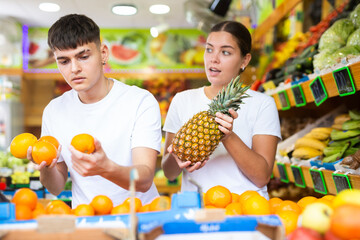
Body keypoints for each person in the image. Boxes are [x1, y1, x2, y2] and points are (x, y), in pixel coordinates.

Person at [28, 14, 162, 208]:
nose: (74, 69)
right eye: (64, 61)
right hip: (87, 219)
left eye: (83, 57)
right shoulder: (53, 111)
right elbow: (56, 187)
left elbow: (144, 178)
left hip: (140, 218)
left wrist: (106, 168)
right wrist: (46, 168)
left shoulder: (140, 101)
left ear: (104, 53)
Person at [161, 21, 281, 199]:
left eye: (225, 52)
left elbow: (262, 177)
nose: (213, 58)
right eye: (209, 49)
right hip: (196, 208)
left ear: (245, 60)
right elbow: (168, 172)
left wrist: (228, 136)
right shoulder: (182, 100)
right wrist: (178, 154)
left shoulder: (263, 104)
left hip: (245, 207)